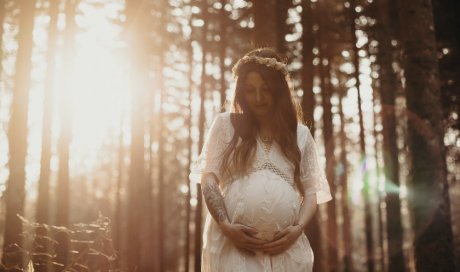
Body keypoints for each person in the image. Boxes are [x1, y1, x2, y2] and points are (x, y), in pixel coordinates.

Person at [190, 48, 332, 272]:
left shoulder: (300, 134)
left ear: (279, 91)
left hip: (286, 251)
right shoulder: (226, 124)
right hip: (234, 247)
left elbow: (312, 191)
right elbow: (209, 178)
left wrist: (297, 229)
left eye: (265, 90)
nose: (257, 98)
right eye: (250, 90)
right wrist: (226, 226)